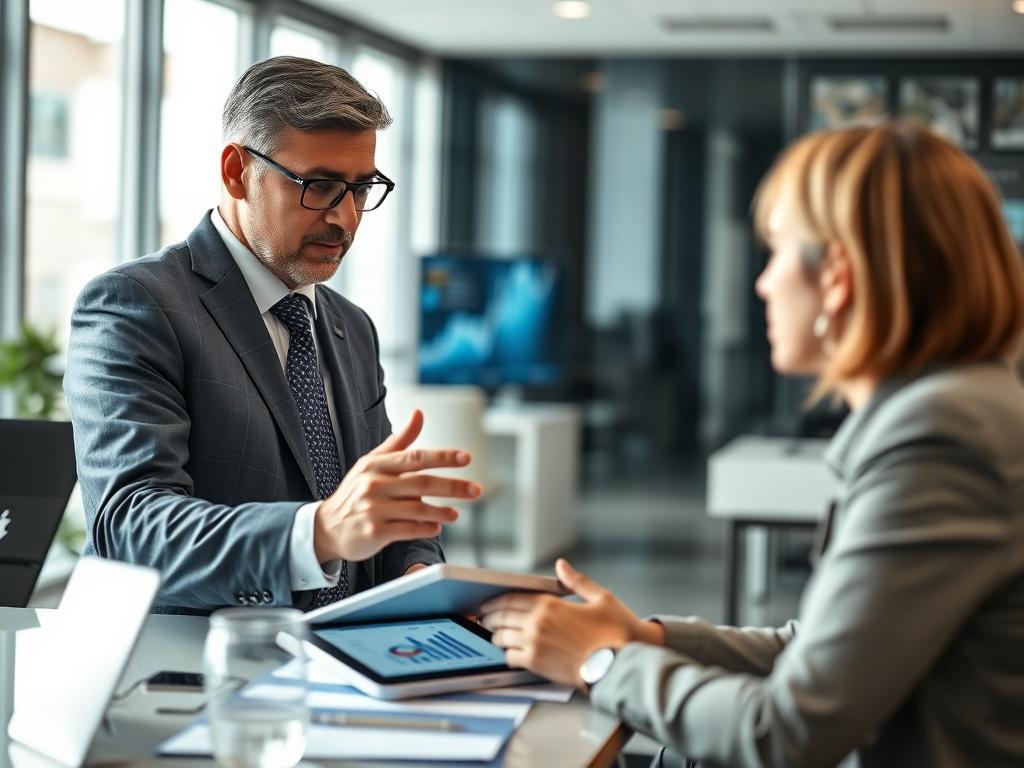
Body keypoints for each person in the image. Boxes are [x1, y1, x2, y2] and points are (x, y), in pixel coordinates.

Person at [480, 121, 1024, 766]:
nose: (763, 283)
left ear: (838, 276)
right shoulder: (957, 410)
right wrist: (642, 637)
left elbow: (787, 733)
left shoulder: (941, 436)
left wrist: (601, 663)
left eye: (779, 252)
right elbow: (816, 649)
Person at [65, 56, 481, 615]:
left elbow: (379, 514)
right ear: (237, 172)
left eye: (362, 189)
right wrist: (318, 532)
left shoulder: (351, 327)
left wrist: (420, 577)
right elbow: (131, 527)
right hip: (193, 673)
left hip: (346, 666)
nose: (347, 219)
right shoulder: (136, 305)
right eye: (320, 186)